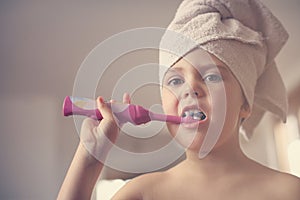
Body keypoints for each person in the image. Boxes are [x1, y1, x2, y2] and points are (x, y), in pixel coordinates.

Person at [58, 0, 300, 199]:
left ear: (245, 104)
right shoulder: (141, 193)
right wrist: (89, 160)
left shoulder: (289, 192)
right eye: (175, 81)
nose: (190, 88)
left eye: (211, 76)